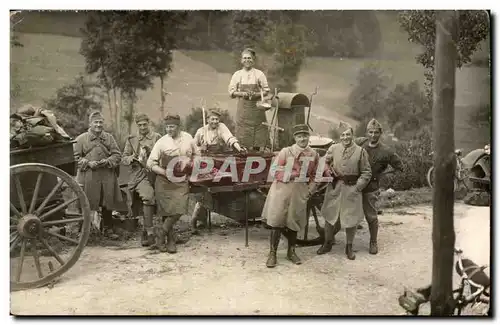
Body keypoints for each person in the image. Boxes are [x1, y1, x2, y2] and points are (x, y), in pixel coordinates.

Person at [262, 124, 320, 268]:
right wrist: (292, 174)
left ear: (308, 137)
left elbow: (316, 176)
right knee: (277, 221)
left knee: (293, 222)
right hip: (281, 190)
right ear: (295, 138)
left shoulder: (313, 154)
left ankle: (291, 252)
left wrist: (309, 191)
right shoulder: (286, 152)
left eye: (305, 136)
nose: (303, 139)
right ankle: (272, 253)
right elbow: (273, 170)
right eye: (299, 136)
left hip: (299, 191)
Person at [317, 122, 372, 260]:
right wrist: (328, 170)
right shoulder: (333, 148)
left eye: (348, 134)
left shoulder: (360, 151)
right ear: (340, 136)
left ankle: (349, 246)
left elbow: (367, 172)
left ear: (352, 135)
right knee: (330, 216)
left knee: (351, 218)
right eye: (343, 135)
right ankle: (327, 243)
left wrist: (358, 187)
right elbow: (325, 162)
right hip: (335, 187)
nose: (345, 137)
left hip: (352, 188)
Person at [147, 114, 199, 253]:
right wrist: (165, 173)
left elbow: (197, 155)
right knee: (167, 212)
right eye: (167, 127)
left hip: (181, 180)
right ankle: (170, 241)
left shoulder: (188, 138)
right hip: (164, 181)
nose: (169, 129)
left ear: (178, 126)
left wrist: (191, 167)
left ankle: (161, 233)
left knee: (179, 209)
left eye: (172, 126)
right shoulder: (162, 142)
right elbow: (150, 163)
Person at [191, 108, 246, 232]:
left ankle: (239, 213)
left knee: (227, 186)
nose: (215, 122)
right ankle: (195, 221)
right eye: (212, 119)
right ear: (208, 119)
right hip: (205, 163)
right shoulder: (201, 131)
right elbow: (193, 147)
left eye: (217, 119)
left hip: (220, 161)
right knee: (204, 192)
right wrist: (200, 148)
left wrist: (239, 148)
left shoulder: (222, 127)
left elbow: (229, 138)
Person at [354, 118, 402, 254]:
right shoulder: (360, 143)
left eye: (376, 132)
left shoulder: (386, 151)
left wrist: (382, 175)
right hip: (355, 185)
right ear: (366, 133)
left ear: (380, 133)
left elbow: (399, 167)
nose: (373, 135)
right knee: (350, 212)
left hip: (371, 187)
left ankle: (373, 242)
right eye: (370, 132)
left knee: (371, 216)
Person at [74, 111, 123, 237]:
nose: (98, 125)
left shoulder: (109, 138)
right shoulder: (80, 139)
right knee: (86, 202)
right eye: (95, 122)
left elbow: (117, 155)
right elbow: (74, 158)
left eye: (101, 122)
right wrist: (87, 163)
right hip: (88, 176)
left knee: (107, 201)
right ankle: (84, 230)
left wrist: (107, 161)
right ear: (90, 124)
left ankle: (108, 229)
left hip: (106, 175)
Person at [122, 113, 162, 247]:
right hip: (139, 175)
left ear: (149, 123)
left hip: (155, 173)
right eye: (140, 125)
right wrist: (131, 158)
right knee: (148, 196)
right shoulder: (132, 139)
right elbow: (124, 158)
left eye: (145, 124)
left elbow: (163, 155)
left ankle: (165, 230)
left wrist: (151, 153)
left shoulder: (157, 137)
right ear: (136, 125)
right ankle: (149, 231)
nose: (143, 127)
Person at [228, 48, 271, 151]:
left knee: (258, 136)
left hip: (257, 110)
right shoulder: (237, 74)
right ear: (241, 60)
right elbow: (231, 92)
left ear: (253, 60)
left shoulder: (259, 74)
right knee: (243, 136)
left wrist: (256, 94)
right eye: (245, 58)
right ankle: (243, 155)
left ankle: (256, 157)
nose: (247, 60)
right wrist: (242, 94)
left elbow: (266, 90)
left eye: (249, 58)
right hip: (243, 110)